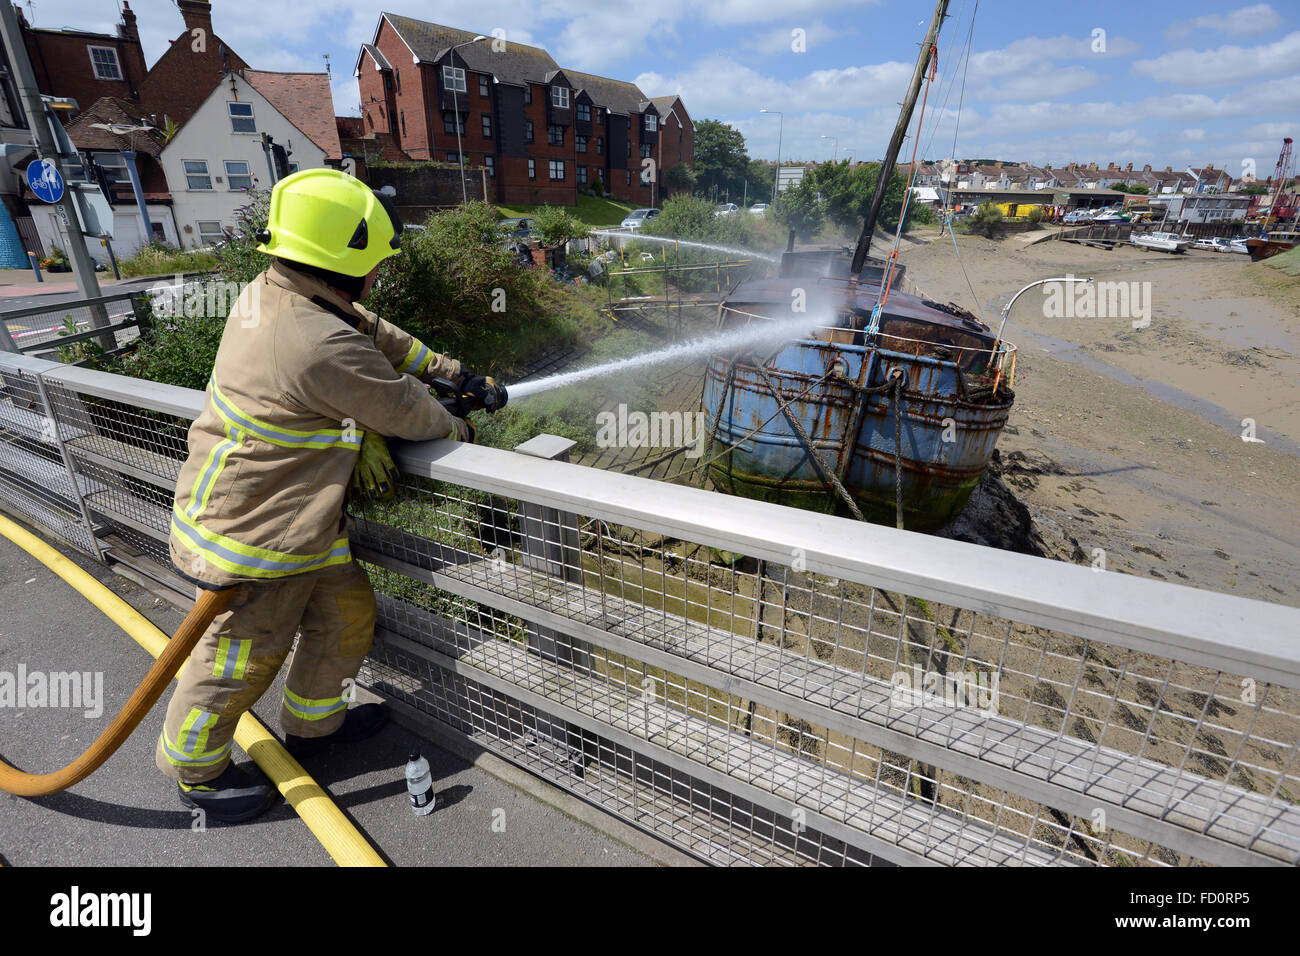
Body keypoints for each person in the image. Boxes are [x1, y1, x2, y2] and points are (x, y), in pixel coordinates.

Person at [157, 168, 495, 822]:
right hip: (256, 539)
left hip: (300, 524)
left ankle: (316, 727)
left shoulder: (282, 292)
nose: (377, 278)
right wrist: (459, 421)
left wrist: (450, 371)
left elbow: (369, 330)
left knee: (344, 617)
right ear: (348, 264)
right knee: (236, 662)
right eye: (372, 265)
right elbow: (408, 413)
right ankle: (196, 774)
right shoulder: (318, 343)